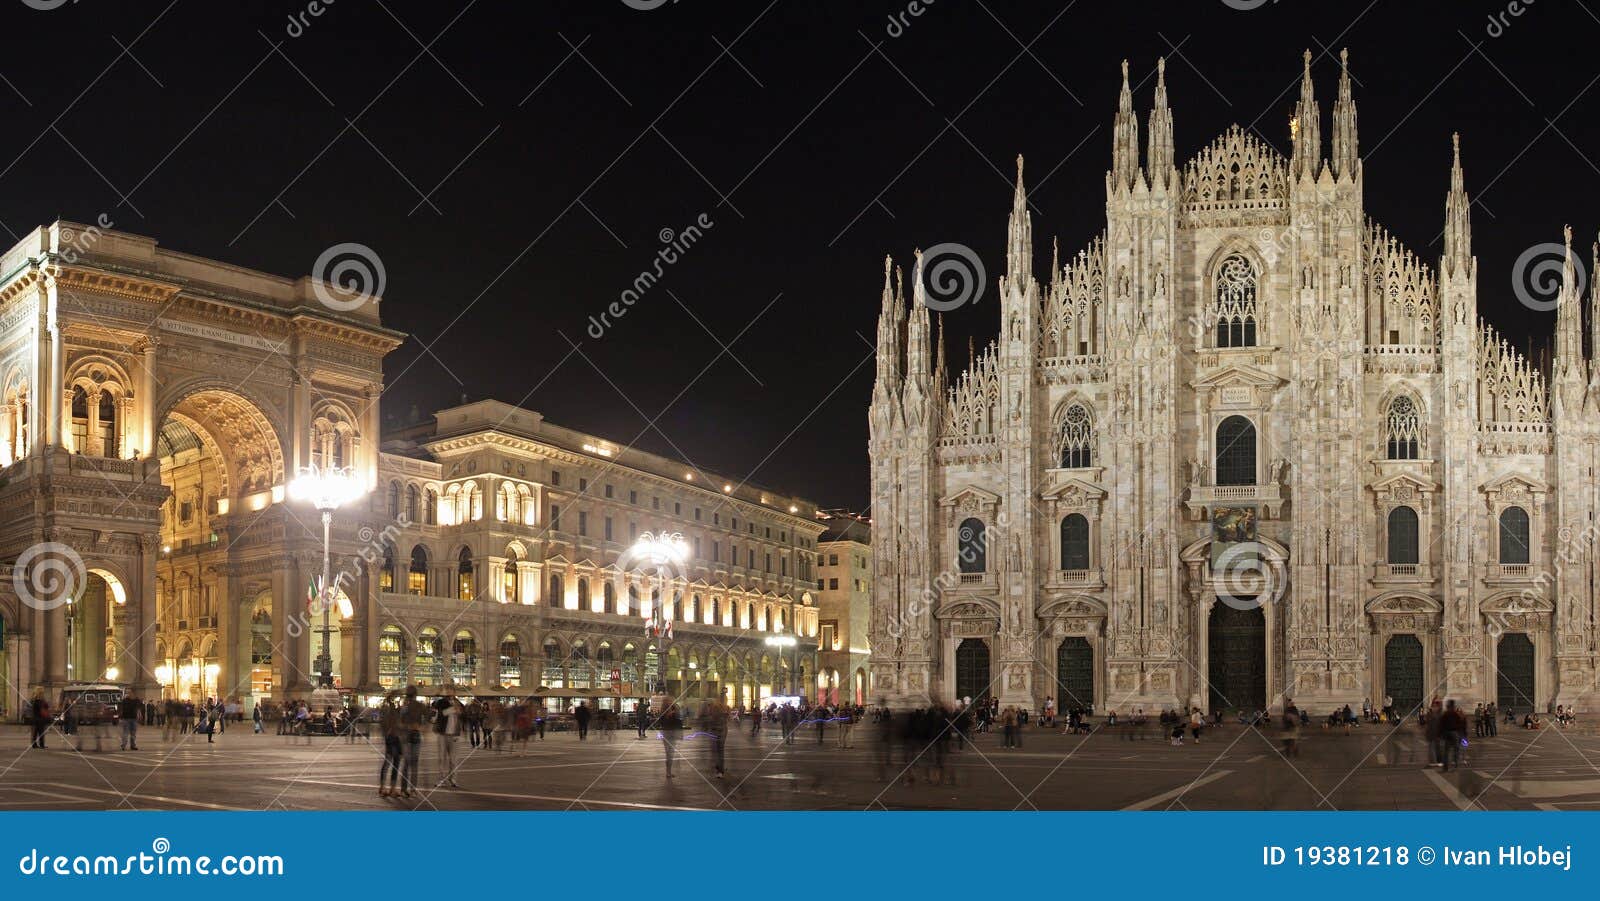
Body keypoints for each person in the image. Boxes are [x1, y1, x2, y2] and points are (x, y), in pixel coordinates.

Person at [399, 685, 427, 798]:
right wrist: (417, 727)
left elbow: (400, 723)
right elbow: (427, 718)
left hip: (409, 737)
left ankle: (405, 788)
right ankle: (411, 788)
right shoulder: (410, 706)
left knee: (408, 763)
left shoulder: (406, 706)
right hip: (412, 737)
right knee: (413, 763)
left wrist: (415, 726)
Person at [435, 691, 463, 788]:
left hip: (454, 734)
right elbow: (441, 713)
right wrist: (453, 709)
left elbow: (462, 714)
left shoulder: (458, 702)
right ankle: (441, 779)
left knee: (453, 759)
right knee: (441, 758)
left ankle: (453, 780)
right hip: (443, 734)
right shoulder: (441, 702)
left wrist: (458, 710)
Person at [378, 693, 403, 798]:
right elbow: (388, 724)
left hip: (395, 738)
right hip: (392, 738)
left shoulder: (392, 710)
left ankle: (387, 787)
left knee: (393, 762)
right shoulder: (389, 710)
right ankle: (387, 788)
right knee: (392, 762)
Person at [700, 698, 728, 778]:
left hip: (717, 733)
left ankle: (720, 769)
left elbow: (709, 721)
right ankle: (720, 768)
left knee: (717, 752)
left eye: (710, 706)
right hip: (720, 733)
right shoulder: (722, 712)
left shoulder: (715, 712)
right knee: (719, 752)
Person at [1439, 700, 1467, 772]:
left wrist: (1441, 734)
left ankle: (1445, 767)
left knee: (1446, 751)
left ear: (1448, 706)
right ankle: (1455, 766)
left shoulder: (1445, 714)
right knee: (1456, 750)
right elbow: (1460, 724)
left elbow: (1441, 725)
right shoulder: (1456, 714)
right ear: (1453, 706)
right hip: (1454, 733)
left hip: (1447, 733)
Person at [660, 703, 683, 779]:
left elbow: (661, 723)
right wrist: (680, 736)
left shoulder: (666, 715)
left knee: (668, 754)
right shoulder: (675, 716)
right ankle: (668, 772)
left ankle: (668, 772)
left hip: (666, 736)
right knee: (670, 754)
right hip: (671, 736)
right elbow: (679, 726)